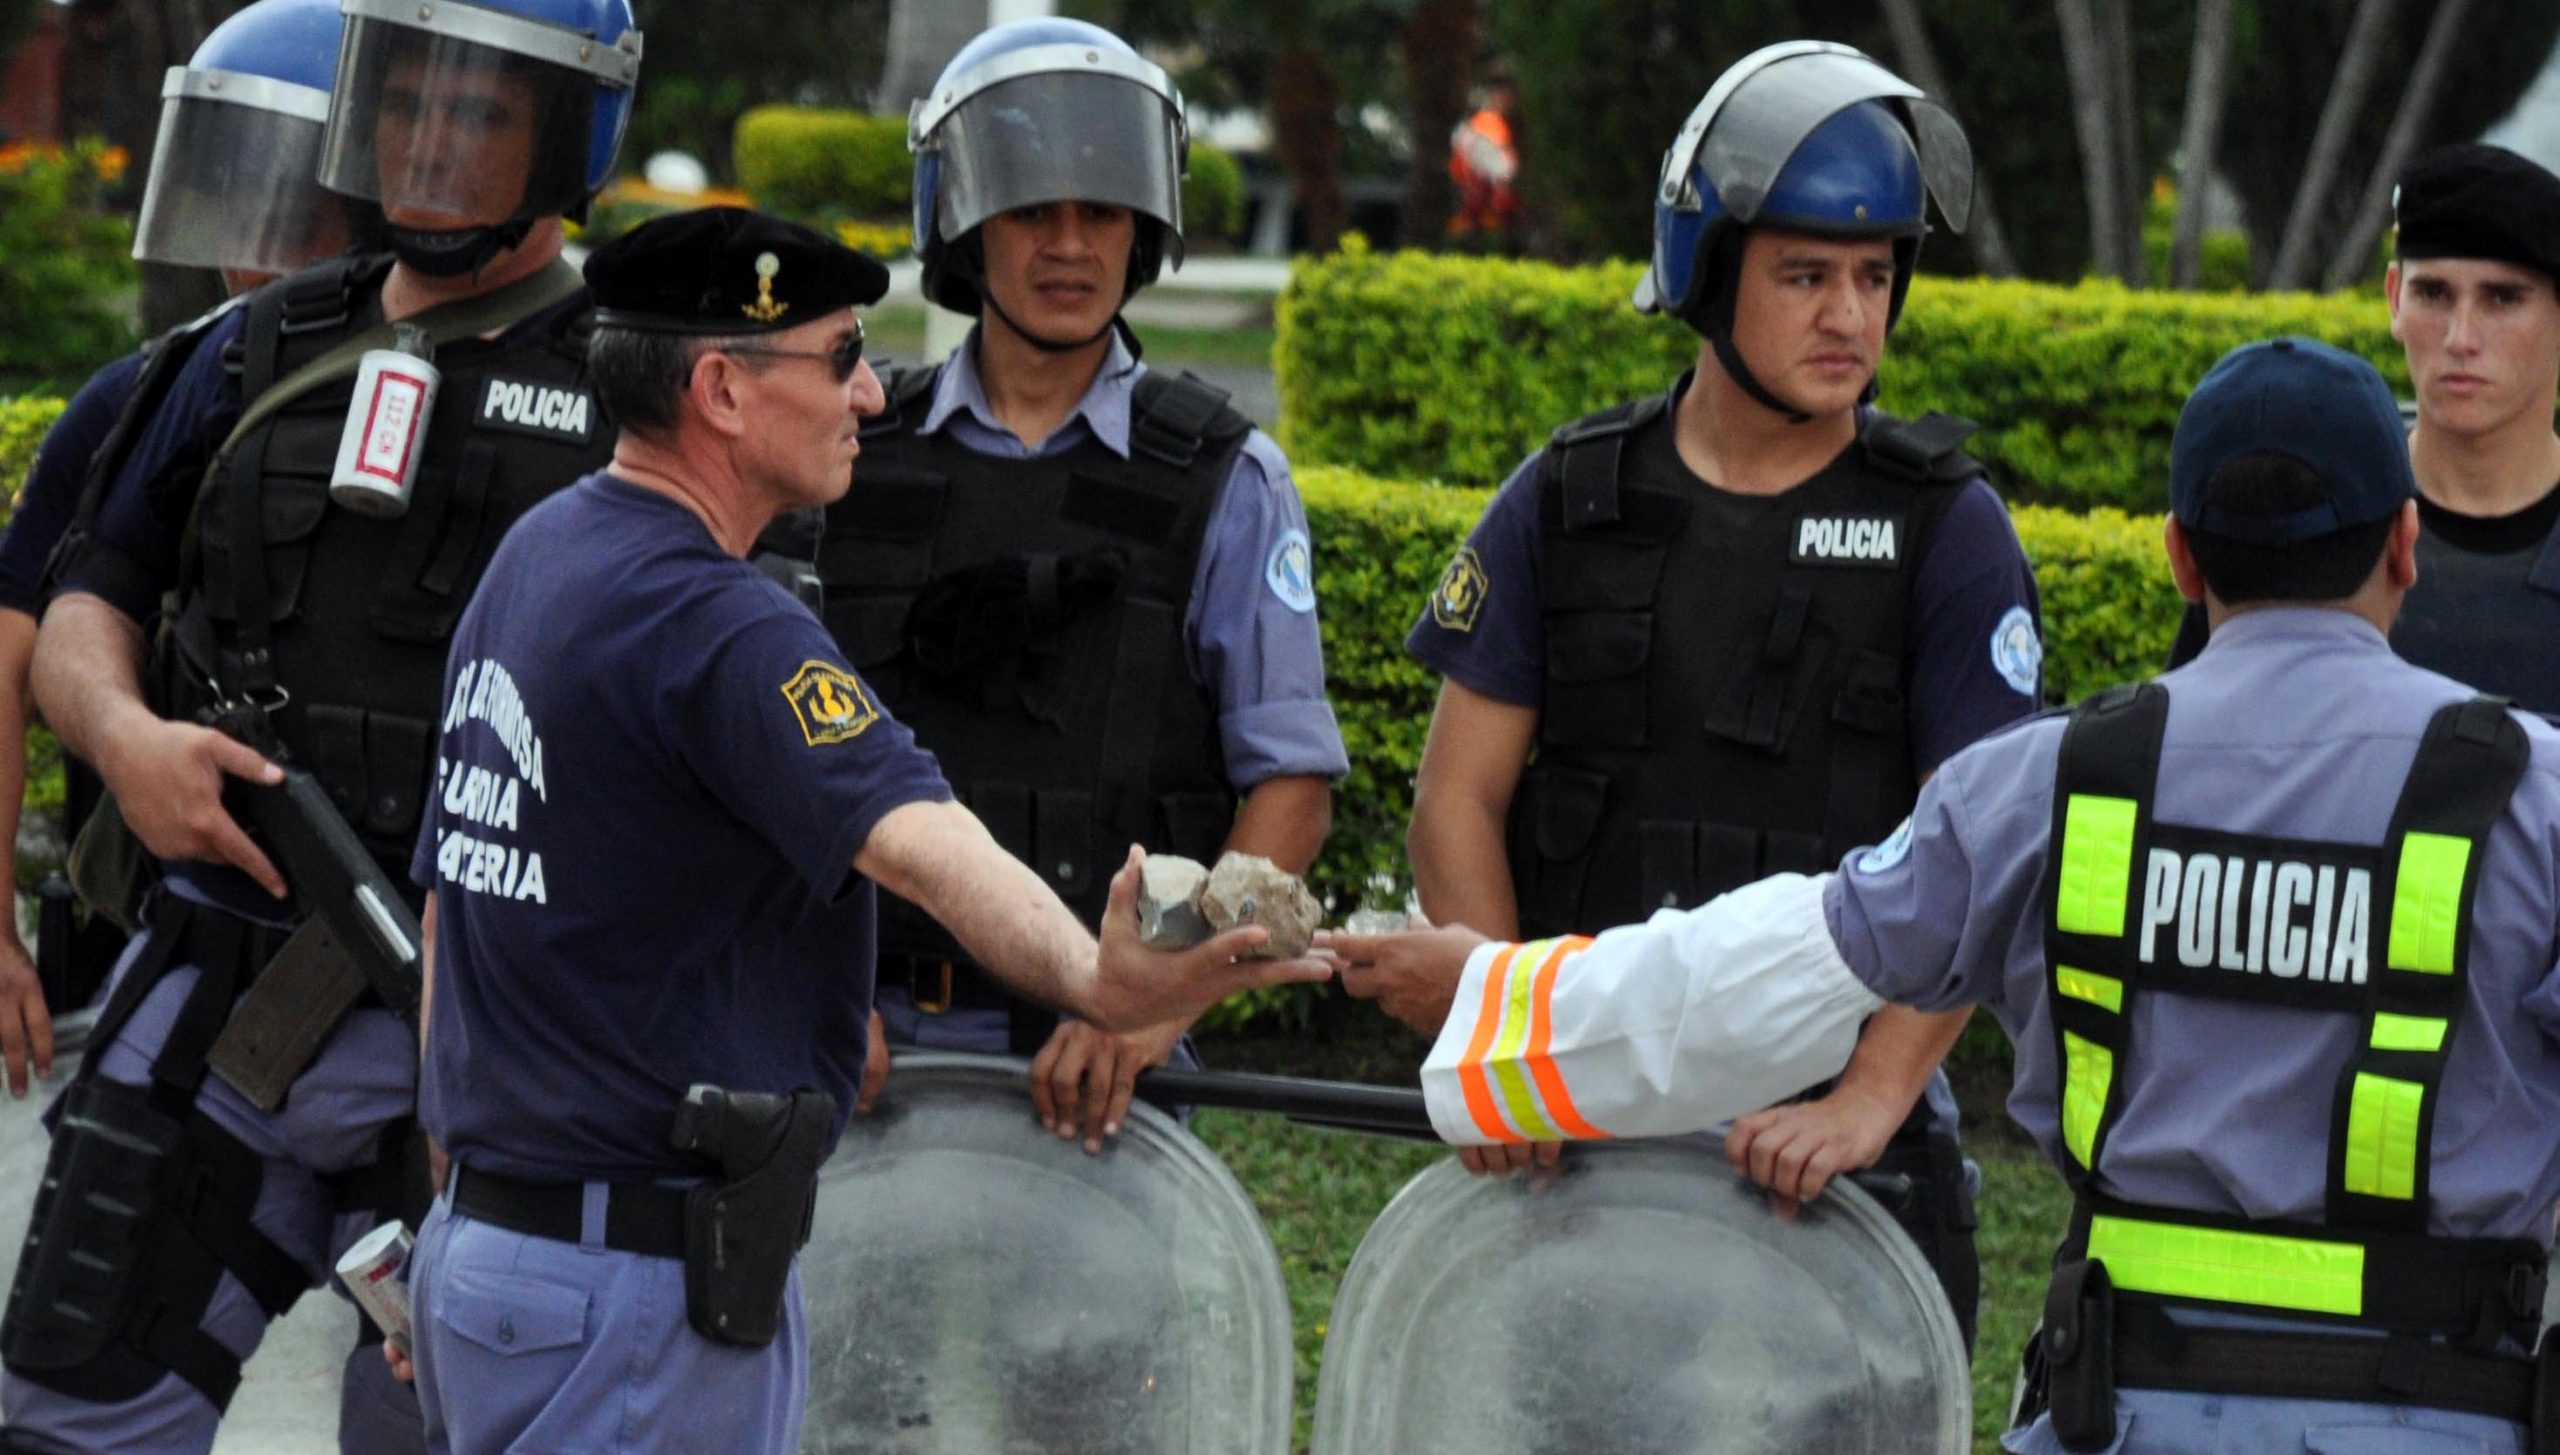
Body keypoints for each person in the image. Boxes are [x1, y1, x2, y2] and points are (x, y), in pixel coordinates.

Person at [1337, 336, 2560, 1454]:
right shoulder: (2537, 796)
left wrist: (1495, 995)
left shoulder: (2049, 783)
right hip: (2447, 1415)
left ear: (2178, 556)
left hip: (2117, 1416)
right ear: (2407, 543)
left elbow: (1752, 977)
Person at [392, 206, 1329, 1455]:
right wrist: (1097, 982)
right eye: (838, 358)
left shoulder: (538, 555)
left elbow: (451, 906)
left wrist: (472, 1227)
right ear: (722, 391)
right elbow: (923, 838)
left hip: (492, 1262)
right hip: (636, 1300)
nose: (870, 397)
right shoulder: (722, 623)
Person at [1, 2, 641, 1451]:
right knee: (63, 1408)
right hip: (217, 995)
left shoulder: (644, 381)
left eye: (476, 111)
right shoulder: (243, 351)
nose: (424, 143)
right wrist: (124, 740)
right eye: (401, 102)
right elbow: (84, 604)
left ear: (566, 135)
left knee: (448, 1431)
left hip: (501, 1034)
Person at [1402, 39, 2037, 1345]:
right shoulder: (1570, 498)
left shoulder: (1947, 528)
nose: (1850, 317)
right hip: (1582, 1137)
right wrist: (1519, 1057)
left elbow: (1984, 844)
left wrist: (1865, 1103)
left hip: (1830, 1161)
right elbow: (1453, 801)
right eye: (1806, 274)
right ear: (1705, 268)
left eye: (1874, 277)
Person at [825, 16, 1347, 1151]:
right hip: (855, 1046)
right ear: (964, 227)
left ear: (1143, 229)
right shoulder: (850, 452)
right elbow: (767, 754)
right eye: (1030, 212)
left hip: (1102, 1070)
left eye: (1101, 211)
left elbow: (1291, 792)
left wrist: (1156, 1007)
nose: (1070, 246)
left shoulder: (1227, 477)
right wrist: (800, 994)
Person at [0, 0, 362, 1102]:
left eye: (287, 206)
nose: (249, 244)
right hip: (186, 934)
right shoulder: (153, 387)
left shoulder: (495, 387)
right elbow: (16, 645)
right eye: (229, 188)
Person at [2164, 145, 2560, 710]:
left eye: (2503, 297)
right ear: (2395, 297)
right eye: (2434, 294)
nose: (2461, 338)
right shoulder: (2304, 511)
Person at [1447, 63, 1519, 248]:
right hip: (1479, 214)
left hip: (1477, 212)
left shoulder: (1477, 125)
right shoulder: (1489, 123)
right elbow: (1502, 171)